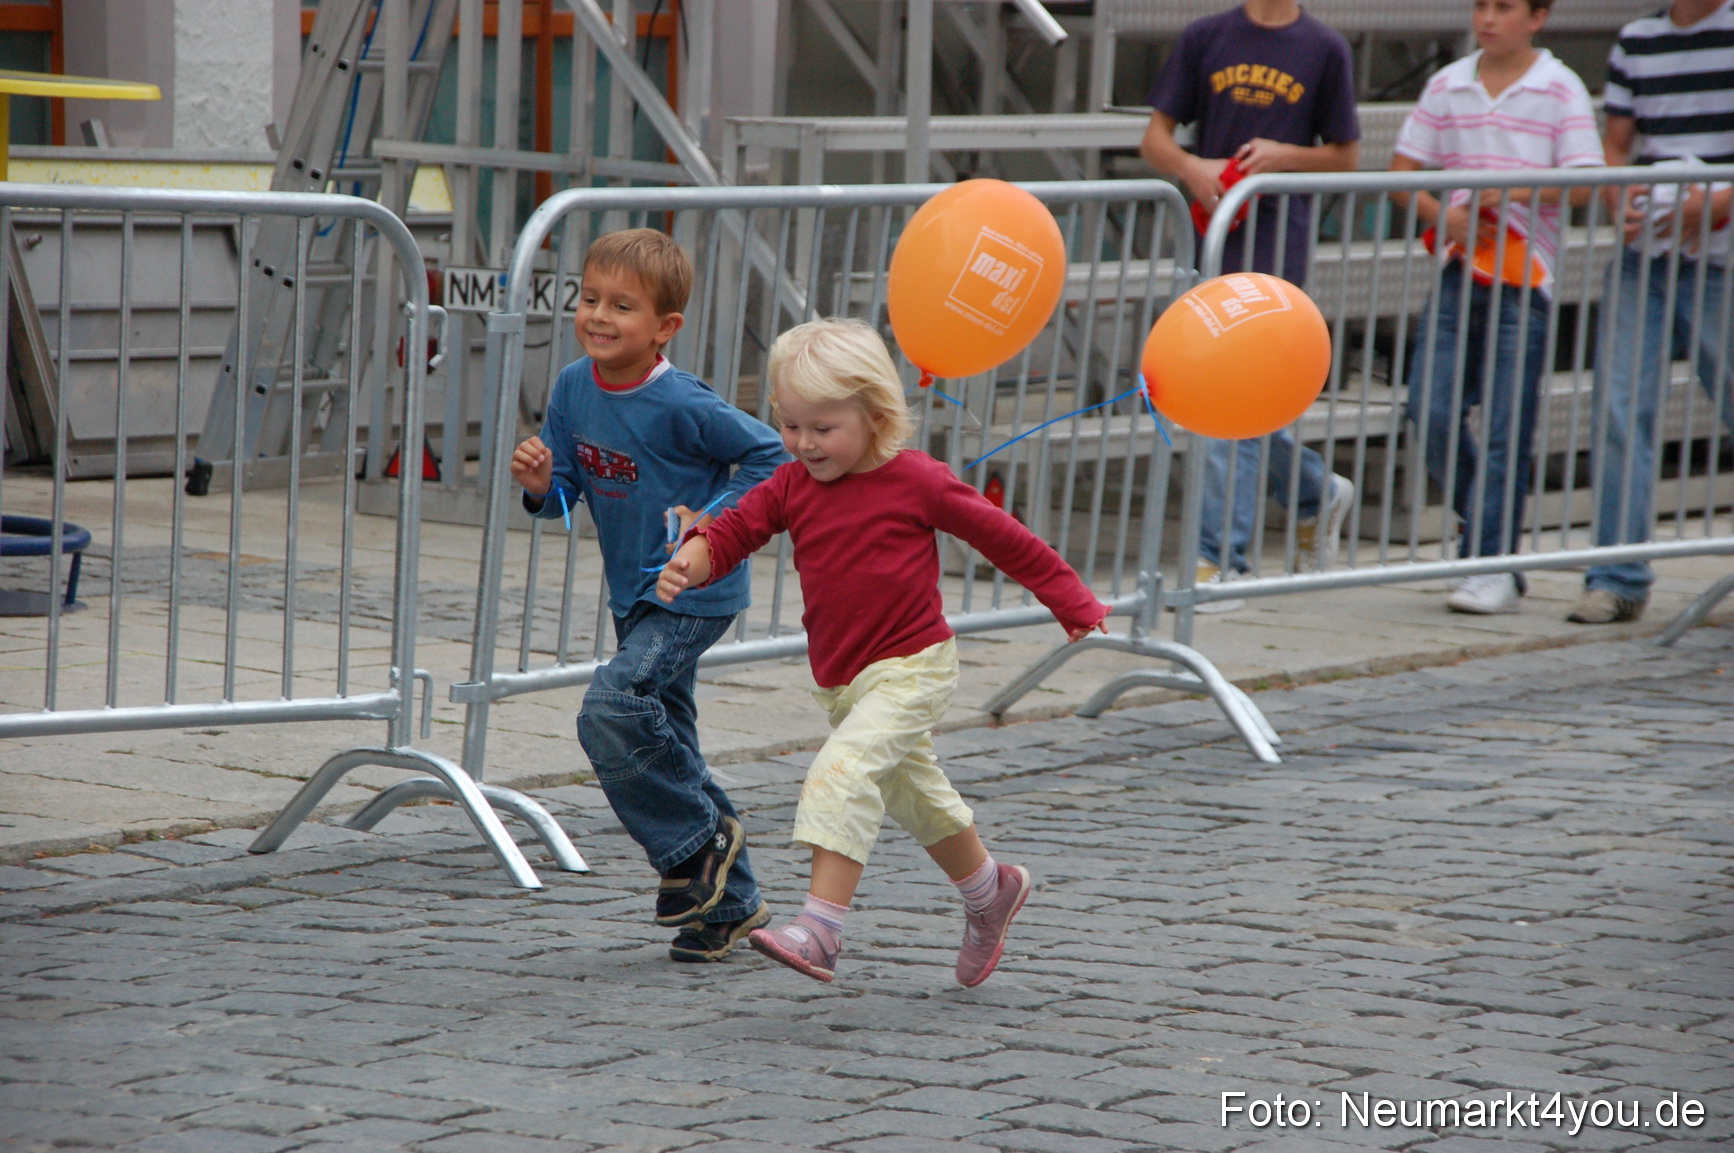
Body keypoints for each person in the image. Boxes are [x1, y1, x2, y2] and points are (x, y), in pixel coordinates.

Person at [655, 319, 1108, 986]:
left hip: (913, 663)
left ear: (876, 415)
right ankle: (990, 891)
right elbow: (736, 527)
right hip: (843, 680)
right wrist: (693, 558)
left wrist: (1073, 602)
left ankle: (820, 928)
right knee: (916, 794)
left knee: (842, 771)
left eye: (823, 428)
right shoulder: (791, 484)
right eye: (792, 425)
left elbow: (1005, 537)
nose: (804, 443)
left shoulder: (917, 479)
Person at [510, 228, 787, 963]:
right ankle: (729, 901)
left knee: (610, 708)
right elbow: (567, 489)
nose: (599, 315)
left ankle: (699, 846)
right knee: (671, 740)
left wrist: (708, 530)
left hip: (695, 590)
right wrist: (543, 487)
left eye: (621, 306)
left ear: (665, 327)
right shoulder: (572, 386)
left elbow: (770, 456)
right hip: (632, 592)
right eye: (590, 298)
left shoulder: (682, 402)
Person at [1139, 0, 1360, 609]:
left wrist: (1286, 156)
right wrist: (1191, 166)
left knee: (1231, 394)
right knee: (1227, 399)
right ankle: (1315, 492)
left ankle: (1222, 558)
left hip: (1277, 244)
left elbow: (1346, 154)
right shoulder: (1207, 35)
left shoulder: (1323, 47)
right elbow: (1154, 139)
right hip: (1214, 236)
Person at [1389, 0, 1605, 615]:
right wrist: (1446, 213)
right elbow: (1404, 170)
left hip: (1525, 274)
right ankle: (1484, 536)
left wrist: (1512, 190)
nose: (1488, 18)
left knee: (1510, 426)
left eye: (1504, 8)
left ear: (1537, 18)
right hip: (1461, 268)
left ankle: (1493, 563)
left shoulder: (1559, 88)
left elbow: (1588, 183)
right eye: (1482, 6)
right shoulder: (1449, 81)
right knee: (1429, 408)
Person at [1570, 0, 1734, 624]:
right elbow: (1618, 144)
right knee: (1618, 405)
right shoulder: (1637, 38)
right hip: (1647, 251)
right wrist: (1622, 200)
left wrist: (1715, 203)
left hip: (1722, 256)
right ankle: (1617, 576)